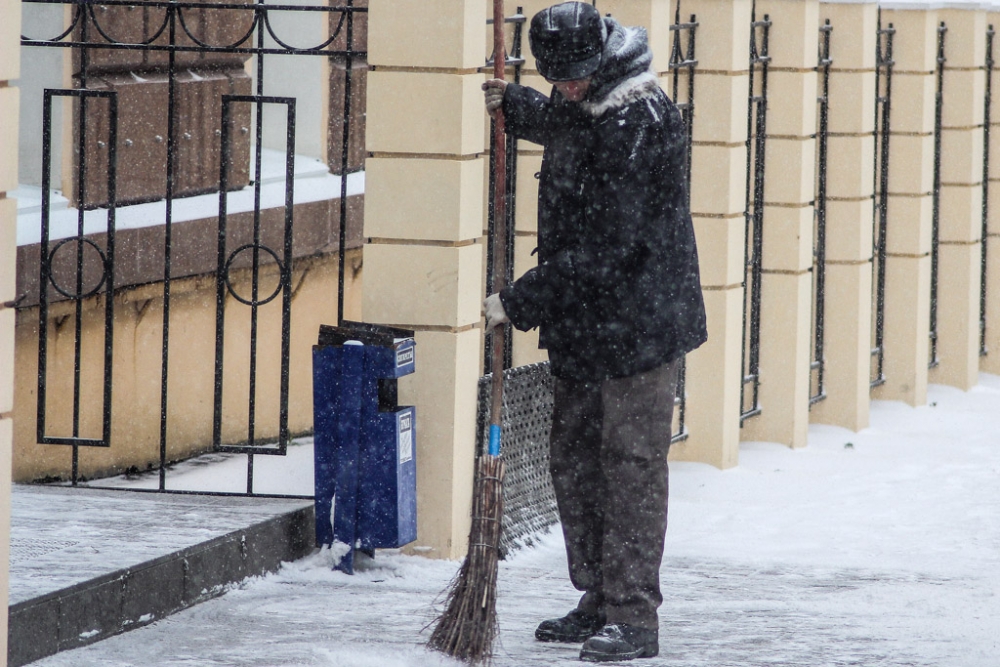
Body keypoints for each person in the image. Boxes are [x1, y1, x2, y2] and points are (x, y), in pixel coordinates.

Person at [481, 1, 707, 662]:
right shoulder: (593, 103)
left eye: (576, 76)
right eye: (560, 77)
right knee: (575, 461)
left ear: (602, 58)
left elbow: (613, 246)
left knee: (630, 468)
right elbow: (574, 125)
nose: (569, 86)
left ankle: (634, 617)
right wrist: (518, 105)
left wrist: (522, 300)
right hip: (587, 324)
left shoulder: (642, 117)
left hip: (639, 325)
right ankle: (598, 597)